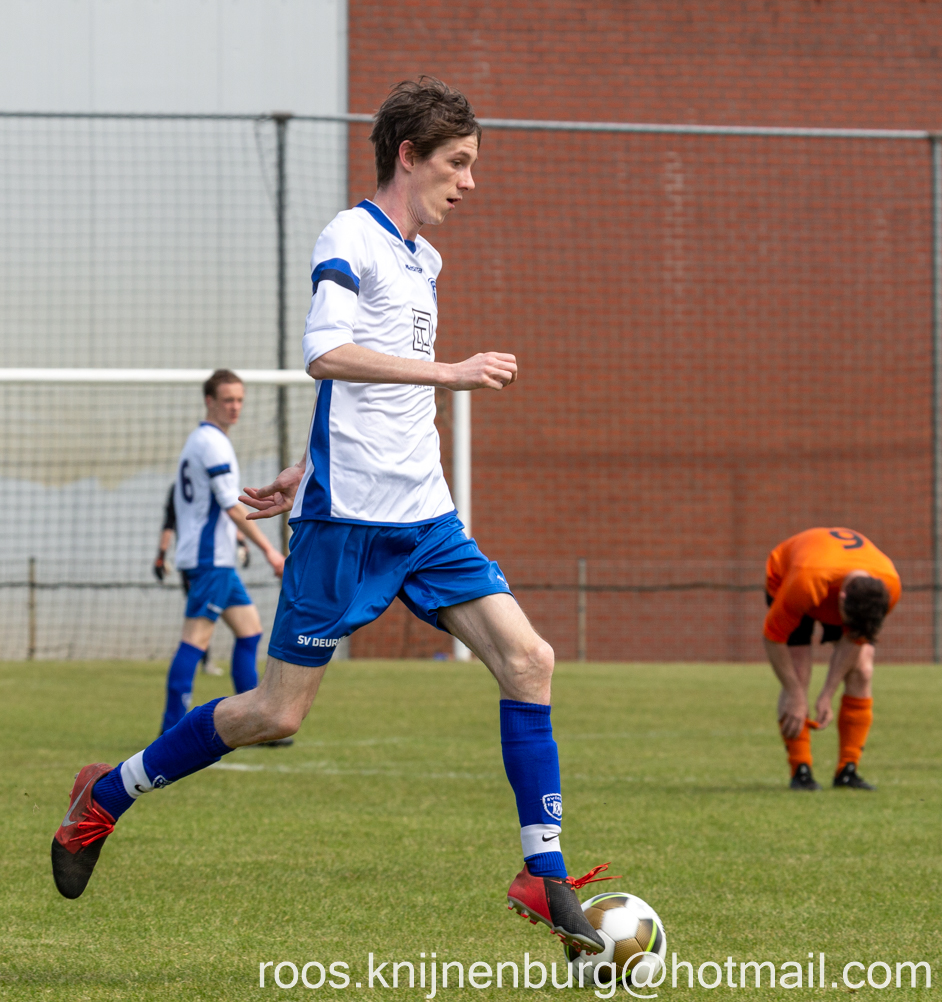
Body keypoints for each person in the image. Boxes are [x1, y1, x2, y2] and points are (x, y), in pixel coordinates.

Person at [51, 77, 610, 954]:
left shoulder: (425, 262)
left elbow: (372, 393)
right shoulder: (350, 236)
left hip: (426, 518)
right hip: (347, 523)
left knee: (529, 659)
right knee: (277, 714)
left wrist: (305, 462)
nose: (469, 182)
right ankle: (106, 795)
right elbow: (326, 353)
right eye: (458, 163)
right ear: (408, 156)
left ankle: (542, 871)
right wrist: (449, 373)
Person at [158, 370, 285, 732]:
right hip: (209, 559)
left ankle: (252, 724)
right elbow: (231, 507)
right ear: (209, 401)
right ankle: (170, 730)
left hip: (219, 560)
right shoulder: (213, 443)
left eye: (240, 400)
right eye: (228, 400)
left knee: (250, 631)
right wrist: (270, 551)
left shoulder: (201, 440)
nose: (235, 407)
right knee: (195, 640)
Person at [764, 528, 901, 792]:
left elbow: (856, 639)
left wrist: (827, 693)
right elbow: (772, 638)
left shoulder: (889, 587)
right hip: (789, 576)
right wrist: (796, 694)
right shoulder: (804, 583)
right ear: (841, 598)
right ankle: (800, 770)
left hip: (831, 578)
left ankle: (847, 770)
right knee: (798, 672)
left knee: (863, 669)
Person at [155, 483, 252, 677]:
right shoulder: (209, 482)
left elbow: (229, 513)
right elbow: (231, 512)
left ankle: (203, 661)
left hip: (215, 564)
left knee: (251, 631)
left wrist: (161, 555)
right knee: (198, 628)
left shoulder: (184, 487)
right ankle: (198, 662)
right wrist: (251, 545)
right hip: (207, 563)